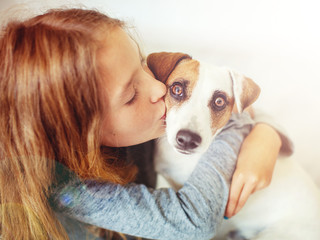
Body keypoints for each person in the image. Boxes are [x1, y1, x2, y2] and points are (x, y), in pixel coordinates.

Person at [0, 8, 292, 240]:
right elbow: (194, 222)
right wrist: (240, 128)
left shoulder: (138, 112)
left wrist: (267, 133)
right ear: (82, 134)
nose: (159, 88)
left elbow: (227, 97)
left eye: (143, 65)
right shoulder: (70, 192)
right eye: (130, 95)